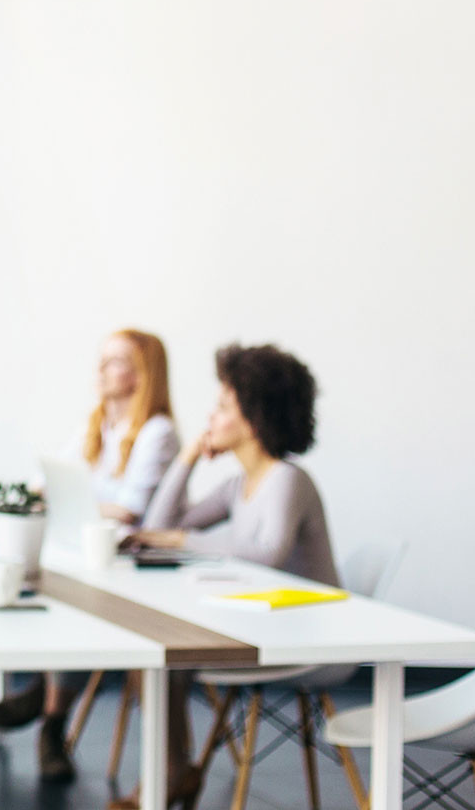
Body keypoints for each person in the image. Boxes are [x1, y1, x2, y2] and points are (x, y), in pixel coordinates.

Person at [111, 342, 337, 810]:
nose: (210, 419)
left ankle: (167, 778)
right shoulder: (239, 483)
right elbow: (159, 524)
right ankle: (171, 773)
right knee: (157, 655)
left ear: (253, 419)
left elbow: (268, 553)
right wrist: (189, 456)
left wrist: (178, 541)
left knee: (163, 656)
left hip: (303, 638)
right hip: (258, 624)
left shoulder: (286, 479)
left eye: (222, 408)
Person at [0, 329, 178, 781]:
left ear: (140, 374)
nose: (100, 369)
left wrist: (65, 502)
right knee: (47, 579)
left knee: (76, 599)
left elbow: (131, 509)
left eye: (114, 361)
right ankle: (44, 701)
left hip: (131, 564)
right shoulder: (98, 425)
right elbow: (54, 477)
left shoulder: (156, 431)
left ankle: (49, 716)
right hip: (88, 550)